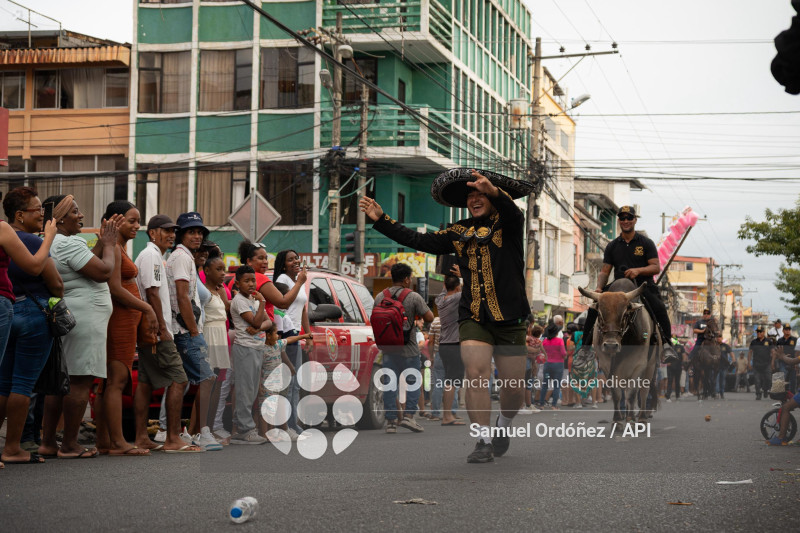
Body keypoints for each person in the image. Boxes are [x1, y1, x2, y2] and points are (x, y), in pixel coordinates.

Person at [361, 169, 532, 463]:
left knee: (514, 391)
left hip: (511, 318)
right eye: (470, 196)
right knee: (476, 374)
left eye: (481, 194)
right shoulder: (457, 232)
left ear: (492, 195)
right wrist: (382, 220)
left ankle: (504, 425)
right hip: (473, 316)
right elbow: (419, 240)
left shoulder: (510, 223)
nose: (475, 199)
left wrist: (493, 190)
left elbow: (513, 213)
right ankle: (483, 440)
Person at [39, 195, 118, 460]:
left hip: (72, 314)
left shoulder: (51, 242)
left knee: (60, 383)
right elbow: (104, 271)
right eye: (75, 211)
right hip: (87, 315)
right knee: (79, 380)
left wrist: (98, 245)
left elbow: (84, 265)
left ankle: (48, 442)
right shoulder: (69, 242)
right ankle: (70, 444)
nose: (81, 215)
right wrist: (108, 244)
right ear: (59, 218)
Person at [133, 214, 202, 453]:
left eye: (173, 231)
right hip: (157, 329)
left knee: (145, 382)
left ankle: (142, 437)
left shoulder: (153, 255)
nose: (171, 235)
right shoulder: (151, 255)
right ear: (152, 233)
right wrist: (163, 328)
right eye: (166, 230)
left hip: (150, 329)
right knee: (178, 379)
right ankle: (172, 437)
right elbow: (152, 293)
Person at [0, 187, 59, 465]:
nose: (43, 215)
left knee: (3, 383)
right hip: (30, 312)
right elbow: (45, 274)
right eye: (38, 210)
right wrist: (48, 238)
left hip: (14, 310)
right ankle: (12, 447)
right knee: (23, 383)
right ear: (20, 215)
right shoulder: (24, 239)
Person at [575, 206, 679, 365]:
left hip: (642, 286)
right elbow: (604, 271)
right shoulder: (612, 245)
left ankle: (667, 345)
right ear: (619, 221)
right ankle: (585, 349)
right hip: (617, 288)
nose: (625, 221)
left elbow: (656, 267)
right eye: (622, 218)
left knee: (659, 308)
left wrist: (638, 270)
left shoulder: (646, 243)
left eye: (629, 218)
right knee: (593, 309)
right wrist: (599, 289)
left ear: (635, 220)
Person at [94, 201, 158, 457]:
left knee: (108, 382)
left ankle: (105, 441)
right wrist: (147, 308)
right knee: (116, 382)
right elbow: (115, 288)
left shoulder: (118, 248)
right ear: (115, 220)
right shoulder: (114, 249)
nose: (137, 226)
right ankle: (119, 442)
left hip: (124, 320)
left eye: (137, 220)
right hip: (119, 320)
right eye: (131, 220)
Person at [166, 212, 220, 450]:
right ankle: (199, 432)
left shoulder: (186, 257)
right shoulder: (181, 257)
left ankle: (179, 434)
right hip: (184, 331)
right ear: (181, 234)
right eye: (191, 231)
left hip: (186, 329)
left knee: (181, 381)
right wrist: (194, 332)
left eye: (200, 232)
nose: (197, 236)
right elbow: (181, 297)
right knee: (206, 378)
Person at [373, 263, 433, 434]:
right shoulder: (413, 296)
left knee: (390, 384)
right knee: (413, 383)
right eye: (410, 277)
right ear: (406, 279)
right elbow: (429, 316)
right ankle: (409, 416)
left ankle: (391, 422)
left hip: (388, 348)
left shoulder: (380, 296)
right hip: (409, 348)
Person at [272, 249, 314, 438]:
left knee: (296, 384)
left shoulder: (299, 281)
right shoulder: (283, 280)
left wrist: (308, 334)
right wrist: (299, 282)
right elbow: (284, 303)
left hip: (297, 335)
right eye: (290, 260)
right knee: (288, 382)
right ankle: (286, 426)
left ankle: (293, 424)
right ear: (283, 264)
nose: (295, 261)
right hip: (286, 335)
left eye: (296, 258)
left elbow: (303, 308)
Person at [229, 265, 271, 444]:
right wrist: (262, 303)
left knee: (252, 390)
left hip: (256, 347)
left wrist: (258, 328)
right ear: (238, 284)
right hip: (245, 348)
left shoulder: (253, 300)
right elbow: (254, 319)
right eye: (246, 281)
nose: (251, 284)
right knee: (245, 390)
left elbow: (268, 322)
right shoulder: (239, 301)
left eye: (253, 280)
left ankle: (241, 428)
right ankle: (245, 429)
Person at [257, 322, 310, 441]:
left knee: (273, 408)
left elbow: (290, 339)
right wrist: (259, 385)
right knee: (266, 409)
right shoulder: (262, 350)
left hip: (277, 384)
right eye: (276, 333)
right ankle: (263, 433)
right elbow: (259, 369)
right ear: (268, 335)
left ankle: (272, 432)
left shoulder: (277, 345)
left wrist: (302, 336)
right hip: (266, 385)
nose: (278, 336)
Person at [202, 254, 231, 442]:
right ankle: (202, 428)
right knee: (207, 384)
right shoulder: (203, 292)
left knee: (218, 385)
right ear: (206, 271)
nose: (223, 273)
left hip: (221, 336)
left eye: (224, 270)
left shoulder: (219, 291)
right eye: (218, 270)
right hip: (209, 336)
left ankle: (211, 429)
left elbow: (228, 309)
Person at [435, 272, 466, 426]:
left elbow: (444, 288)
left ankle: (447, 414)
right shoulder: (457, 298)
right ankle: (447, 416)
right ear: (458, 287)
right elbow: (472, 288)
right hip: (454, 345)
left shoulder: (440, 300)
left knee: (448, 380)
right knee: (451, 382)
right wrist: (463, 274)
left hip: (444, 345)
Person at [537, 322, 566, 410]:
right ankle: (554, 405)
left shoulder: (544, 341)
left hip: (547, 365)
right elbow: (563, 353)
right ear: (556, 332)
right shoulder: (559, 341)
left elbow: (542, 352)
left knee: (545, 385)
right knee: (556, 385)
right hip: (558, 365)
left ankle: (541, 404)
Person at [749, 327, 772, 400]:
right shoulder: (753, 342)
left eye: (760, 332)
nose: (759, 333)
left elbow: (773, 352)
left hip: (767, 364)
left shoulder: (769, 341)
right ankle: (758, 394)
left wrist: (773, 362)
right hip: (756, 364)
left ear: (764, 332)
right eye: (757, 332)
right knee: (757, 380)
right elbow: (750, 353)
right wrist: (749, 363)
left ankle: (765, 390)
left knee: (768, 379)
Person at [776, 324, 797, 394]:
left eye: (789, 329)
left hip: (793, 362)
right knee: (783, 378)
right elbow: (777, 352)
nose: (788, 331)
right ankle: (781, 395)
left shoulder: (795, 339)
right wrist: (783, 356)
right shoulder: (779, 340)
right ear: (783, 330)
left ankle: (792, 395)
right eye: (786, 329)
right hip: (783, 362)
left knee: (793, 380)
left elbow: (797, 351)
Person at [716, 335, 732, 399]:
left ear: (722, 338)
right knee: (716, 380)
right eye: (717, 337)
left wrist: (733, 359)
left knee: (722, 381)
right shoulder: (714, 345)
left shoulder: (725, 346)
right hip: (716, 367)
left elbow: (731, 352)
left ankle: (722, 393)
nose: (718, 338)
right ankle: (717, 393)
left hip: (723, 366)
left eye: (720, 337)